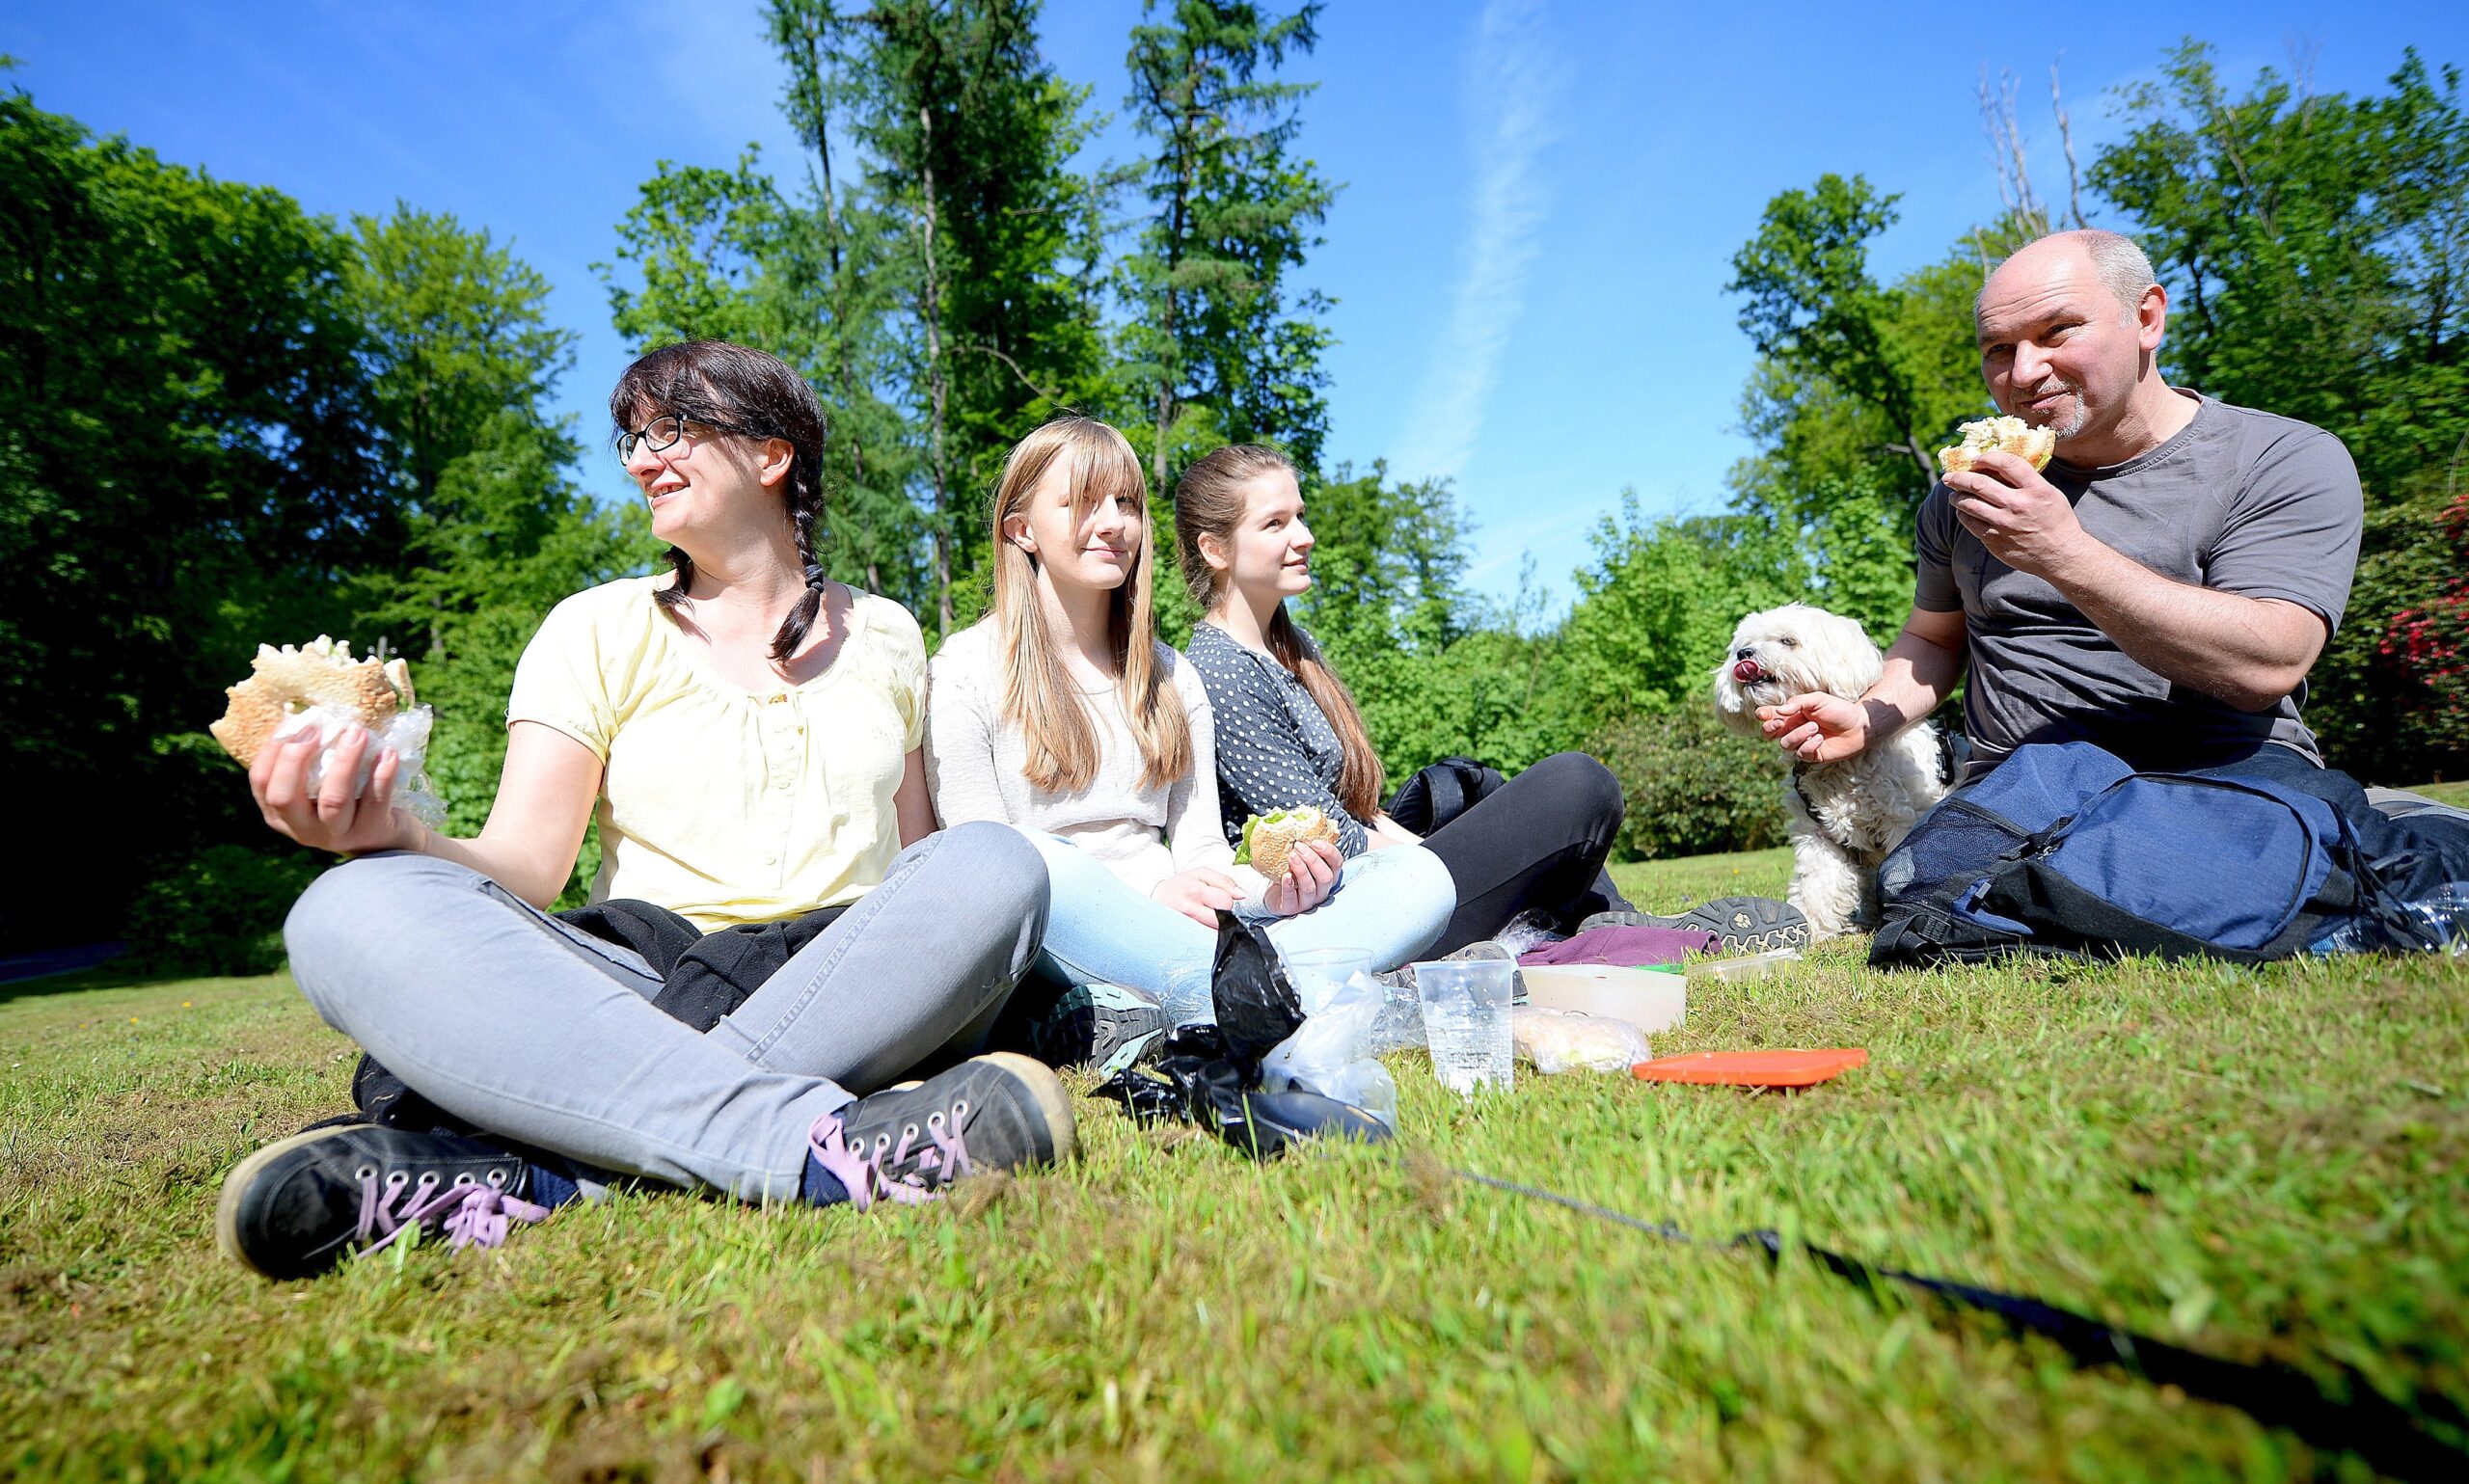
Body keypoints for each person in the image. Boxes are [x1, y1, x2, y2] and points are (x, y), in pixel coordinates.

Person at [216, 340, 1074, 1282]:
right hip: (640, 986)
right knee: (345, 910)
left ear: (771, 452)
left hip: (846, 980)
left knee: (994, 865)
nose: (639, 459)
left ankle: (547, 1168)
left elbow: (919, 858)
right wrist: (385, 836)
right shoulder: (594, 628)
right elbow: (526, 867)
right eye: (629, 437)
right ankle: (816, 1144)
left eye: (672, 428)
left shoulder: (889, 633)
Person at [1758, 228, 2469, 898]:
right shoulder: (1964, 493)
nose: (2023, 370)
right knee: (1926, 888)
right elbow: (1935, 640)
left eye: (2056, 332)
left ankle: (2387, 828)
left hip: (2218, 772)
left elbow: (2269, 664)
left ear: (2148, 319)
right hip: (2014, 791)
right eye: (1998, 348)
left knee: (2212, 882)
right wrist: (1867, 716)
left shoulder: (2280, 459)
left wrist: (2064, 553)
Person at [925, 418, 1455, 1057]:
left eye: (1126, 503)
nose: (1114, 521)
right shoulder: (963, 672)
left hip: (1180, 926)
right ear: (1022, 529)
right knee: (1031, 864)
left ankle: (1259, 988)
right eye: (1082, 503)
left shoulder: (1174, 677)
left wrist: (1277, 889)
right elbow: (985, 878)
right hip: (1048, 932)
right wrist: (1151, 894)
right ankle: (1278, 993)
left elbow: (1201, 852)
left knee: (1419, 875)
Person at [1173, 444, 1807, 956]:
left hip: (1377, 875)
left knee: (1476, 787)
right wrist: (1446, 862)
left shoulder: (1289, 644)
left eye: (1301, 515)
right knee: (1577, 784)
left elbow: (1358, 809)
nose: (1304, 535)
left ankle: (1607, 922)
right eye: (1276, 523)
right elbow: (1325, 840)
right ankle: (1601, 927)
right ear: (1215, 548)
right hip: (1349, 915)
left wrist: (1455, 844)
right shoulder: (1221, 672)